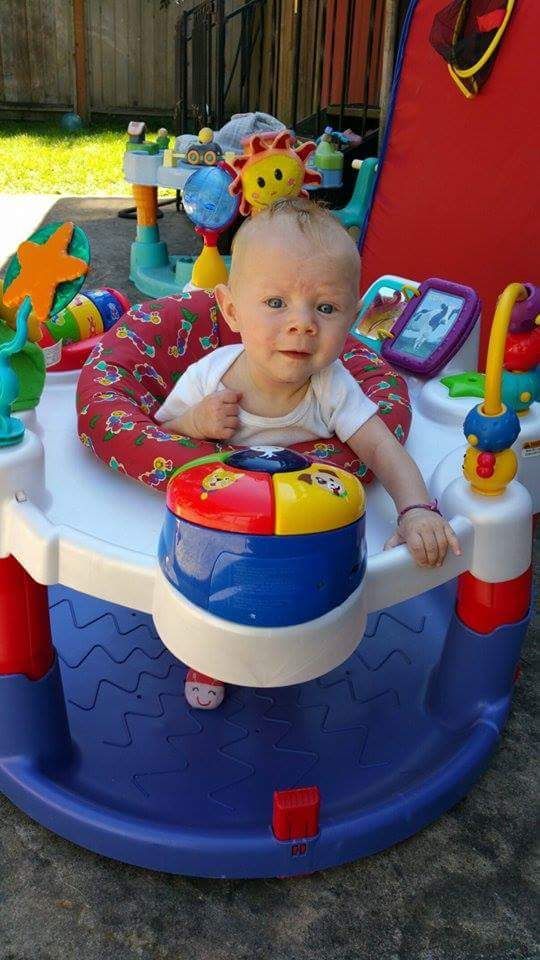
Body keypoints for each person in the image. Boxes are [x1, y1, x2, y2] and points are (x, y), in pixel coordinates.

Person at [155, 198, 460, 705]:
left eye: (325, 307)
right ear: (232, 310)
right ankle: (204, 654)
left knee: (307, 592)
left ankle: (306, 641)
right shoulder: (210, 377)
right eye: (275, 304)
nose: (303, 324)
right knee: (204, 585)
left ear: (351, 317)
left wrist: (415, 509)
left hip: (306, 531)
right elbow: (161, 441)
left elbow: (382, 448)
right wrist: (197, 421)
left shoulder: (332, 387)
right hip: (221, 530)